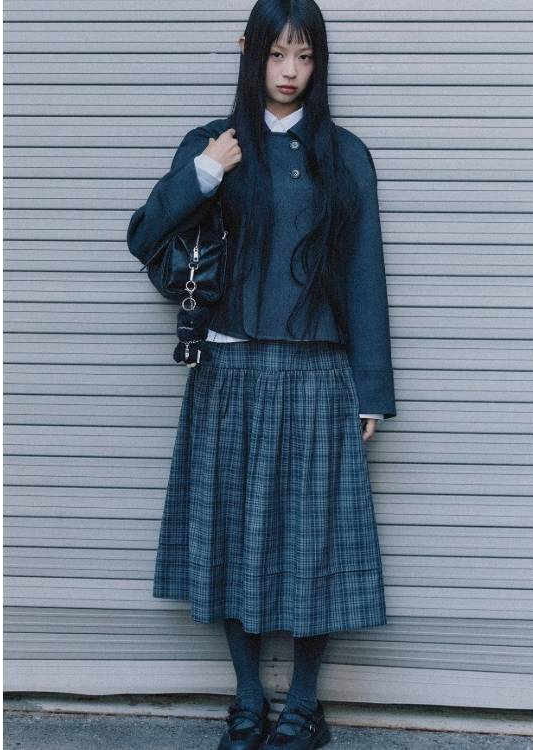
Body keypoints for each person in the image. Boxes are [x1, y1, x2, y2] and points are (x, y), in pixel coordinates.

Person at [126, 2, 396, 747]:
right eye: (277, 54)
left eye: (304, 56)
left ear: (319, 62)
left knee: (314, 540)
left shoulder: (345, 154)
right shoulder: (211, 145)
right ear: (249, 52)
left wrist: (372, 390)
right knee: (230, 532)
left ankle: (304, 707)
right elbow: (143, 236)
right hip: (227, 367)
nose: (289, 71)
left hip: (317, 371)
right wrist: (207, 171)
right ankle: (247, 701)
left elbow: (364, 273)